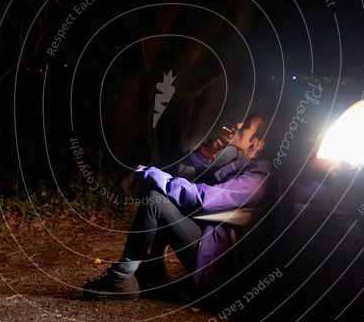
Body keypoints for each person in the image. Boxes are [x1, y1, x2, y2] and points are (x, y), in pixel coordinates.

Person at [82, 111, 271, 300]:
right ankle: (151, 275)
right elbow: (185, 175)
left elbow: (202, 198)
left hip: (219, 266)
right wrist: (209, 151)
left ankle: (122, 279)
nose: (238, 124)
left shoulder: (256, 179)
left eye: (246, 125)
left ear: (258, 143)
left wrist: (152, 174)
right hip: (210, 246)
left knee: (157, 200)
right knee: (166, 196)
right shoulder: (237, 168)